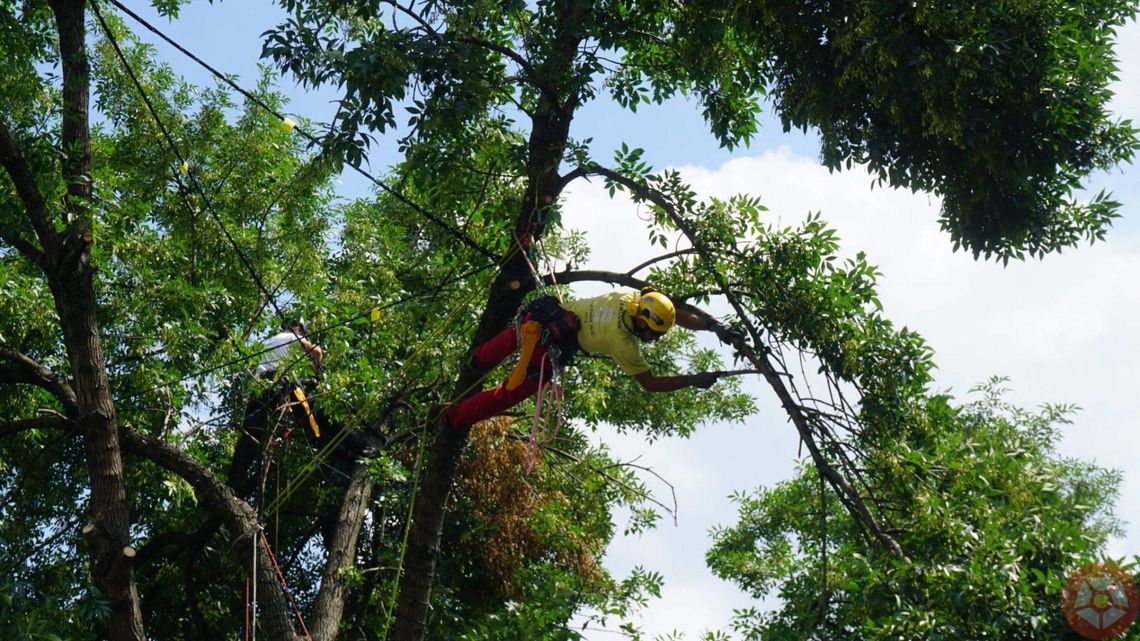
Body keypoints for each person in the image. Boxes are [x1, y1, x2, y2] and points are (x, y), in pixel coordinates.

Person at [442, 286, 741, 429]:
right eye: (650, 334)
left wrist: (712, 325)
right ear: (640, 323)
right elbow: (650, 383)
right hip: (549, 349)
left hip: (542, 317)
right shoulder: (622, 342)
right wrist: (692, 380)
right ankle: (451, 416)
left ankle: (477, 360)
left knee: (519, 333)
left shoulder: (629, 297)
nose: (650, 339)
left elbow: (669, 314)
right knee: (506, 394)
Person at [229, 319, 376, 494]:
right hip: (282, 384)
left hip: (260, 388)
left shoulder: (267, 342)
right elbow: (317, 352)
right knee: (319, 417)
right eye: (303, 333)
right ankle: (360, 446)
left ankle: (234, 483)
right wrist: (317, 371)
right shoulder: (292, 337)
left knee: (251, 433)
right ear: (298, 329)